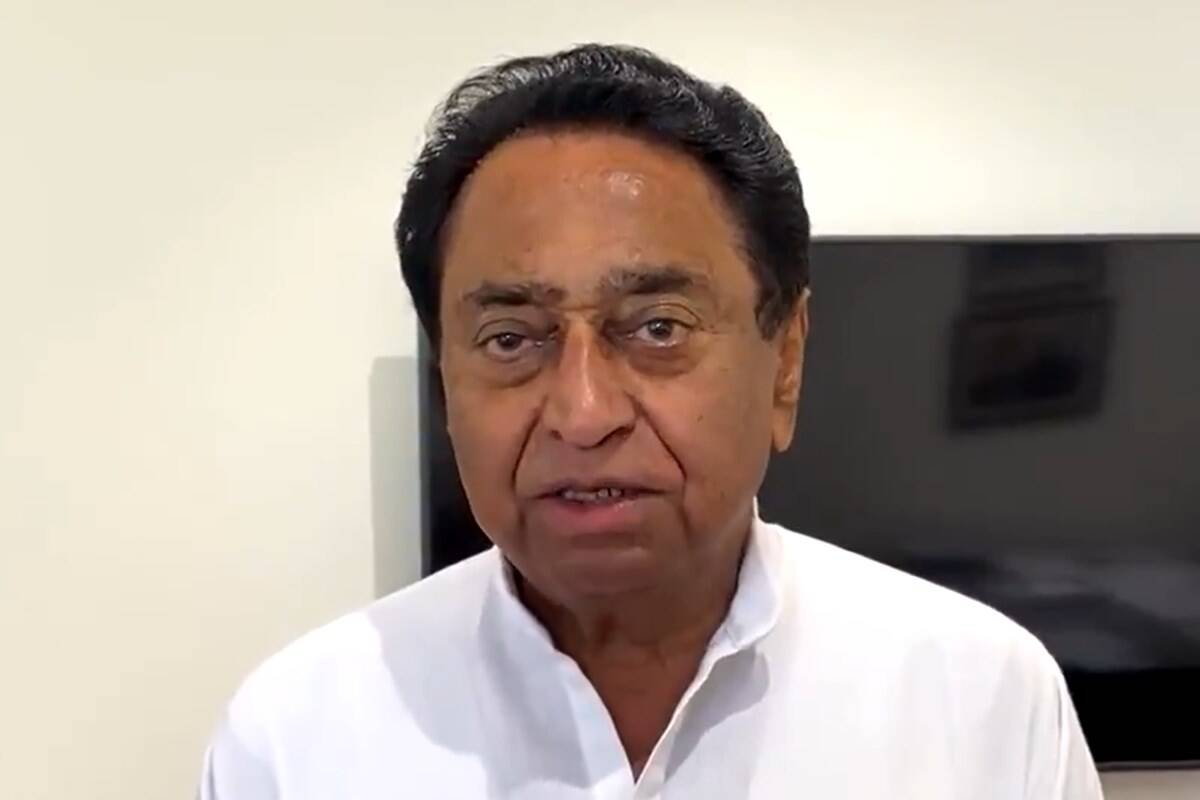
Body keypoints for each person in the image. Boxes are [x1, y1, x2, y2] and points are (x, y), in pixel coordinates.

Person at [200, 44, 1104, 799]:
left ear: (785, 360)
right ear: (446, 380)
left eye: (658, 329)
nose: (583, 414)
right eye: (511, 338)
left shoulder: (979, 698)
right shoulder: (299, 734)